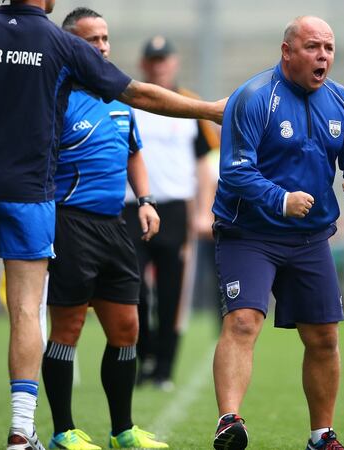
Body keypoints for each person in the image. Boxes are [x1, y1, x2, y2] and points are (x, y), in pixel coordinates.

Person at [0, 1, 224, 449]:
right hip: (32, 194)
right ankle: (20, 432)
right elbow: (139, 94)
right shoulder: (57, 42)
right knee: (25, 311)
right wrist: (209, 108)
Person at [210, 16, 344, 450]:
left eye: (329, 47)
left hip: (310, 238)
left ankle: (322, 436)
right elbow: (234, 171)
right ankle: (230, 421)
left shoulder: (342, 102)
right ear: (287, 52)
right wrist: (280, 198)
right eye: (313, 47)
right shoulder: (252, 98)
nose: (323, 56)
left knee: (323, 336)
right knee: (243, 322)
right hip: (249, 233)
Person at [41, 8, 168, 450]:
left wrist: (146, 200)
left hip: (115, 224)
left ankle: (122, 430)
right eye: (91, 40)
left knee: (127, 327)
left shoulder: (118, 96)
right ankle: (62, 432)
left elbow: (134, 152)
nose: (102, 47)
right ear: (70, 46)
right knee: (69, 328)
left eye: (106, 38)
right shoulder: (53, 95)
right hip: (69, 222)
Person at [125, 35, 220, 391]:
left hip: (177, 209)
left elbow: (204, 163)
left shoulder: (189, 105)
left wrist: (204, 210)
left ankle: (164, 368)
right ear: (143, 64)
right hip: (132, 207)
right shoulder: (128, 102)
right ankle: (143, 353)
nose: (159, 65)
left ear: (174, 62)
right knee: (132, 288)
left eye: (164, 58)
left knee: (171, 293)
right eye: (153, 59)